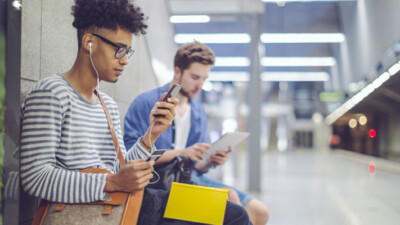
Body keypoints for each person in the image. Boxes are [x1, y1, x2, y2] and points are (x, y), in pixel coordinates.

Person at [19, 1, 252, 224]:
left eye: (127, 52)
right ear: (89, 42)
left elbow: (120, 167)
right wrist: (111, 182)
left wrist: (151, 135)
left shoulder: (106, 104)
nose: (125, 61)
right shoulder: (51, 93)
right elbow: (35, 178)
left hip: (126, 202)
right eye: (119, 49)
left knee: (231, 211)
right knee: (232, 216)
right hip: (93, 208)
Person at [124, 42, 269, 225]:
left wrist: (210, 160)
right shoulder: (146, 103)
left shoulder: (198, 111)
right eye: (194, 77)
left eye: (204, 79)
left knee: (259, 212)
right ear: (177, 71)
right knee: (232, 201)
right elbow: (130, 156)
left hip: (190, 177)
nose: (199, 85)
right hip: (159, 182)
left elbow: (195, 164)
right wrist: (181, 153)